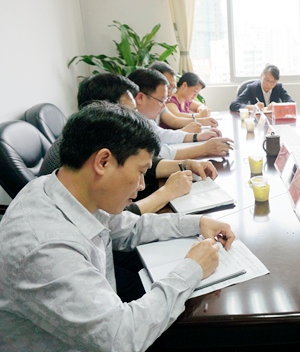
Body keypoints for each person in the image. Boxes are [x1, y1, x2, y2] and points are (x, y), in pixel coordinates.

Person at [0, 101, 235, 351]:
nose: (142, 185)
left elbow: (130, 227)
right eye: (141, 172)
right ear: (103, 162)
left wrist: (197, 222)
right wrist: (193, 268)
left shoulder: (63, 187)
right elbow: (122, 339)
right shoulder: (46, 248)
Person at [39, 73, 218, 215]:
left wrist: (185, 165)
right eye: (129, 111)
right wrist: (167, 193)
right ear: (107, 111)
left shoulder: (89, 136)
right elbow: (116, 223)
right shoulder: (81, 154)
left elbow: (145, 164)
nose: (134, 118)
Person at [129, 68, 234, 159]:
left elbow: (162, 134)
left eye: (172, 87)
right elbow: (158, 153)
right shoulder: (129, 123)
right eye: (161, 100)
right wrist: (205, 148)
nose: (164, 105)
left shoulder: (143, 118)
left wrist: (198, 137)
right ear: (140, 98)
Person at [149, 61, 218, 129]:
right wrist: (200, 117)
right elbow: (176, 118)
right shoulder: (170, 101)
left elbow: (173, 121)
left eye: (173, 88)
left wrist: (203, 117)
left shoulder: (162, 104)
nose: (170, 93)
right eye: (168, 87)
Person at [229, 64, 294, 112]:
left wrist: (277, 106)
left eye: (273, 82)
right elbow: (233, 105)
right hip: (256, 122)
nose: (269, 84)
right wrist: (252, 107)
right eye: (266, 80)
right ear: (261, 76)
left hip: (273, 122)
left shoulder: (278, 87)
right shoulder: (252, 88)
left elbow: (292, 104)